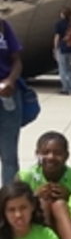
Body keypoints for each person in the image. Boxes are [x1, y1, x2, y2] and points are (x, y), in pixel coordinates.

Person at [0, 18, 23, 185]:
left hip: (7, 96)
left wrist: (11, 80)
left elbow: (16, 60)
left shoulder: (3, 25)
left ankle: (9, 201)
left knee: (9, 156)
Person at [52, 7, 71, 95]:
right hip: (70, 47)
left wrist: (55, 48)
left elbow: (57, 37)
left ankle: (65, 88)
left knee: (62, 69)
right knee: (69, 69)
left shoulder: (59, 24)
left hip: (62, 47)